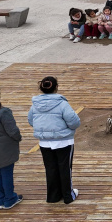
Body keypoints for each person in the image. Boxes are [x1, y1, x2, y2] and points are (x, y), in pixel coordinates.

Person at [28, 76, 81, 204]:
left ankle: (53, 196)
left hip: (44, 143)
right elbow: (74, 122)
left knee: (50, 168)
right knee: (65, 168)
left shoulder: (34, 105)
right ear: (56, 87)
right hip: (63, 141)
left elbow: (31, 120)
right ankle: (68, 196)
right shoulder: (62, 103)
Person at [0, 85, 23, 210]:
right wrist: (18, 138)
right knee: (6, 173)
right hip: (5, 149)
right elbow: (13, 131)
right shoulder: (3, 112)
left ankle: (0, 200)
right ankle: (10, 199)